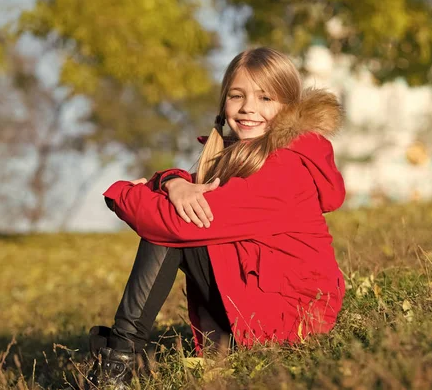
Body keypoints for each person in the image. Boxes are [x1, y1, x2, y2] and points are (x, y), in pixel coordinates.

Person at [85, 47, 346, 388]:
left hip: (292, 320)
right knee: (174, 219)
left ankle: (116, 365)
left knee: (168, 230)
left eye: (265, 98)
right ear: (224, 102)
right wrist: (173, 182)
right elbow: (187, 196)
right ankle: (119, 361)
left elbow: (177, 223)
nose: (248, 108)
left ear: (288, 106)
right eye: (237, 96)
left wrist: (122, 193)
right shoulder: (234, 155)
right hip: (256, 300)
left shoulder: (286, 168)